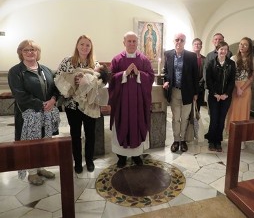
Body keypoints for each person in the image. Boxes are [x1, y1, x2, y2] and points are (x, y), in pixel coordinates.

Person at [8, 39, 59, 186]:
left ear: (38, 53)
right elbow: (20, 94)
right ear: (21, 53)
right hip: (27, 116)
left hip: (45, 114)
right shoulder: (15, 72)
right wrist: (42, 104)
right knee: (29, 144)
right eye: (26, 50)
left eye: (33, 50)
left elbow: (55, 88)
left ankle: (40, 167)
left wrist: (53, 100)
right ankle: (31, 173)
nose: (30, 52)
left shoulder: (46, 70)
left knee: (42, 141)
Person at [55, 35, 104, 174]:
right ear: (77, 46)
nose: (84, 47)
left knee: (90, 134)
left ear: (91, 47)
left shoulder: (95, 64)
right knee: (75, 134)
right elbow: (58, 78)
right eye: (82, 44)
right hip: (72, 105)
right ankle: (77, 162)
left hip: (90, 104)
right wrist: (72, 81)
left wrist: (88, 81)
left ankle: (89, 160)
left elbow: (101, 82)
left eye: (87, 45)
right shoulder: (67, 61)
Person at [108, 31, 154, 168]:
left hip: (138, 103)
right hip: (122, 102)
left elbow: (151, 77)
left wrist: (139, 74)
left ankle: (136, 155)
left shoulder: (144, 60)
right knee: (121, 124)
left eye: (134, 41)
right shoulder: (117, 59)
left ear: (137, 43)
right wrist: (124, 74)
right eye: (129, 41)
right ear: (124, 42)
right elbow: (110, 79)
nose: (132, 44)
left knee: (137, 123)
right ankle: (121, 156)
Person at [162, 33, 199, 153]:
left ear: (185, 42)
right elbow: (166, 71)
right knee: (175, 118)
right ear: (174, 41)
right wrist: (166, 81)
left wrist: (196, 93)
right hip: (174, 91)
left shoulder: (191, 56)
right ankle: (176, 140)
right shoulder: (168, 54)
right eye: (177, 39)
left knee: (184, 118)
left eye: (182, 40)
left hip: (187, 92)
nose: (179, 42)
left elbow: (195, 76)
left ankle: (182, 140)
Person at [226, 37, 254, 149]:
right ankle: (231, 135)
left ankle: (242, 138)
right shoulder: (233, 58)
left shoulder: (253, 59)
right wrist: (237, 88)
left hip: (246, 89)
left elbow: (252, 76)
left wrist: (242, 88)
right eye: (240, 44)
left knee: (244, 113)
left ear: (249, 47)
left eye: (245, 45)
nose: (242, 46)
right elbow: (230, 75)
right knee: (233, 112)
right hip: (234, 87)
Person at [206, 41, 236, 152]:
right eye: (221, 49)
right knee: (214, 119)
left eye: (225, 49)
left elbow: (232, 81)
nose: (223, 51)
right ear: (217, 50)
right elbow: (208, 80)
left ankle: (218, 141)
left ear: (227, 51)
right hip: (213, 96)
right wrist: (215, 94)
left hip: (225, 97)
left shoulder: (231, 64)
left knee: (221, 119)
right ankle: (211, 141)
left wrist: (225, 94)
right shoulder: (211, 63)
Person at [192, 38, 206, 111]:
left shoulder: (205, 59)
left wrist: (200, 83)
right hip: (190, 86)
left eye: (199, 44)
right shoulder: (188, 58)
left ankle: (196, 121)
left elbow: (205, 73)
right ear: (192, 46)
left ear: (201, 46)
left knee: (197, 108)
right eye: (195, 44)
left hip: (200, 87)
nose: (197, 45)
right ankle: (188, 122)